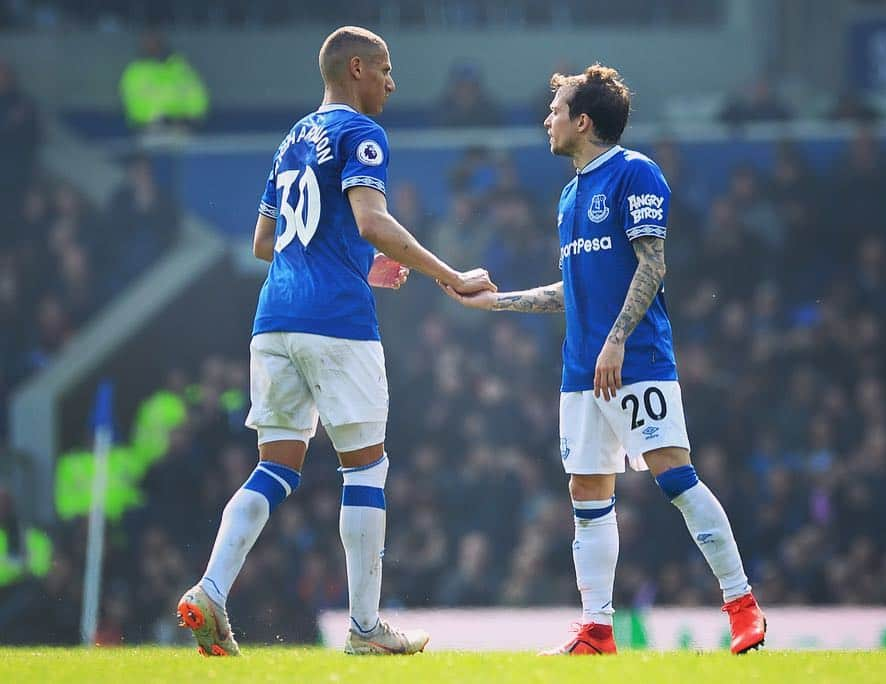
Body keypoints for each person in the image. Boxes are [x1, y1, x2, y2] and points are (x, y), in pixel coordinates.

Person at [177, 26, 496, 657]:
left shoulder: (291, 139)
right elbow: (371, 220)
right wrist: (450, 275)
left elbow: (265, 244)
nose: (391, 83)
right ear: (357, 69)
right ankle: (365, 627)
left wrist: (359, 262)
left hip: (274, 318)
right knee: (366, 467)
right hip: (336, 321)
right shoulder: (361, 133)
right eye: (385, 70)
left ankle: (211, 591)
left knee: (275, 467)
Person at [442, 64, 766, 655]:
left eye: (556, 110)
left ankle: (742, 605)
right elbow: (573, 288)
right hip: (579, 370)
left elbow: (652, 264)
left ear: (583, 121)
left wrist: (617, 339)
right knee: (587, 494)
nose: (548, 119)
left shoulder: (634, 173)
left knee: (676, 477)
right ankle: (596, 629)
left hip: (635, 357)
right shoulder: (569, 195)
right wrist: (496, 303)